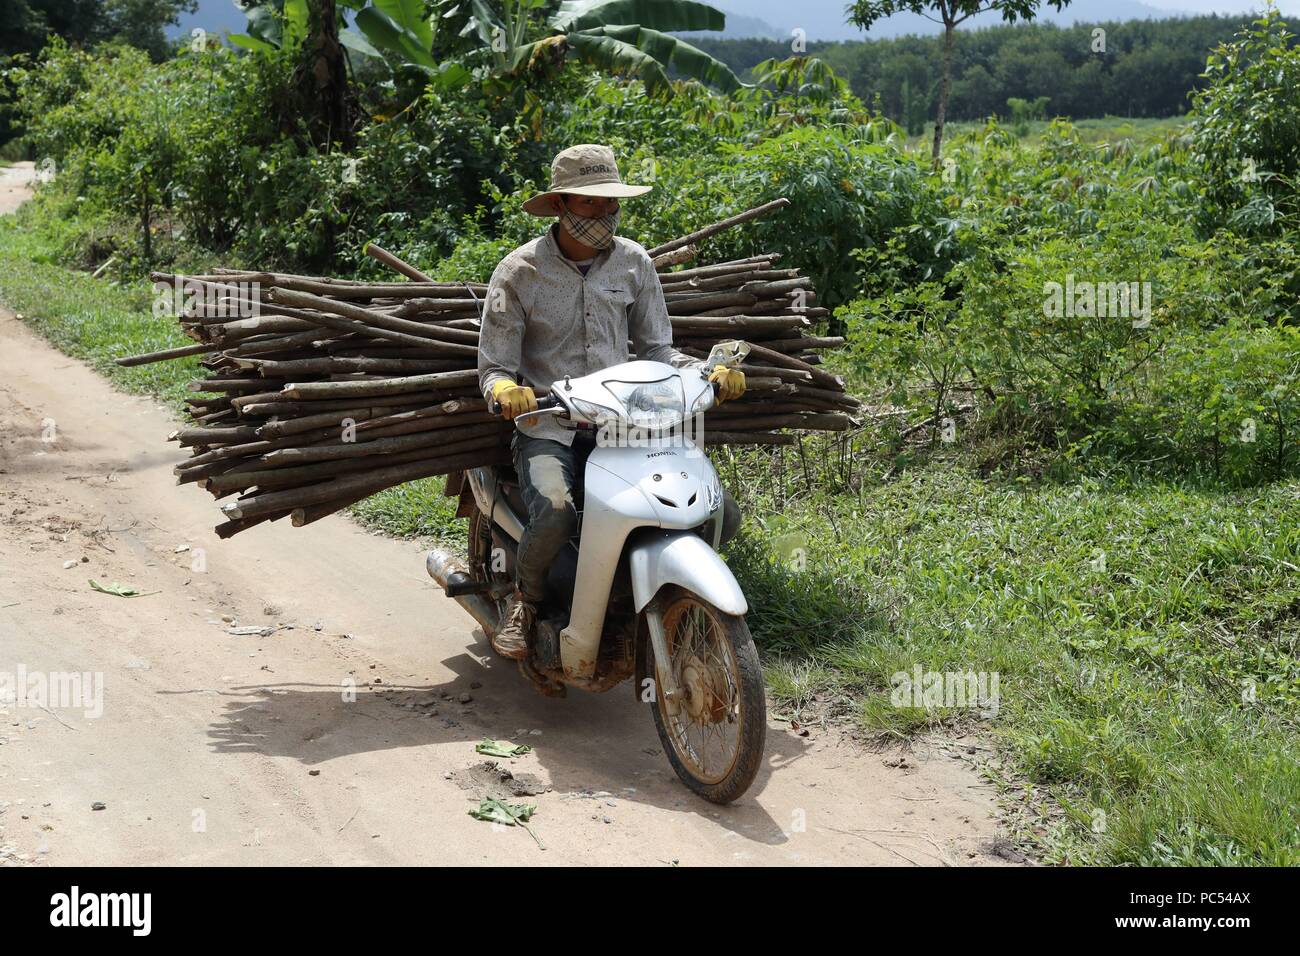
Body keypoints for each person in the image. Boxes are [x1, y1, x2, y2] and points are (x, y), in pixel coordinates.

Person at [477, 143, 744, 660]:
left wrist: (709, 373)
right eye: (588, 203)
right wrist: (506, 391)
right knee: (556, 512)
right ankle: (526, 603)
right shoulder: (519, 272)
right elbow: (494, 366)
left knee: (719, 513)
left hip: (627, 426)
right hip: (549, 424)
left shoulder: (633, 263)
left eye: (609, 203)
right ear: (559, 205)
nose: (603, 214)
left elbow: (659, 350)